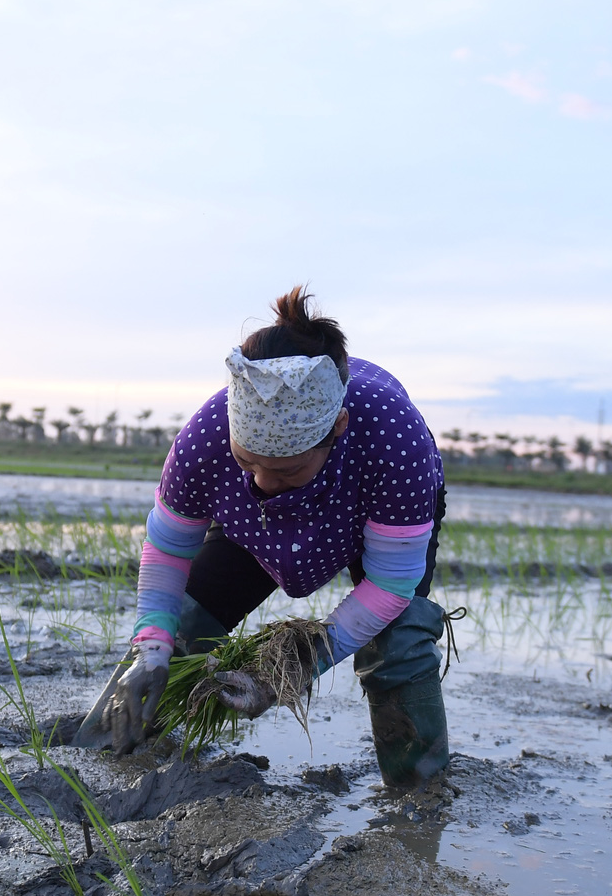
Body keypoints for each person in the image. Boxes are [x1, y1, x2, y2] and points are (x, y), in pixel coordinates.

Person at [82, 287, 452, 787]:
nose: (261, 482)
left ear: (337, 429)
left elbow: (389, 587)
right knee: (183, 625)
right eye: (247, 461)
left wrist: (287, 672)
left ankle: (419, 796)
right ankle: (107, 760)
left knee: (400, 636)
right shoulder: (206, 437)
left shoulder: (394, 442)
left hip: (364, 514)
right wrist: (151, 647)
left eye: (287, 470)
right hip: (249, 527)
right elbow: (169, 548)